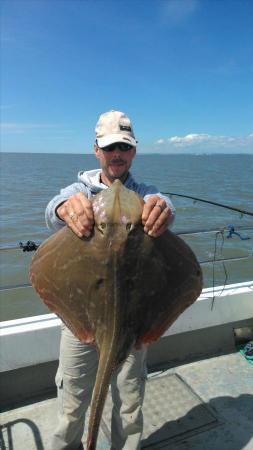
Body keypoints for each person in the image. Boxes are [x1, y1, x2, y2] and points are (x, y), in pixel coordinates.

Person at [46, 110, 175, 450]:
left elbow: (162, 203)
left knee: (130, 401)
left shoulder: (145, 192)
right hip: (80, 316)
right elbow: (53, 207)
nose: (116, 154)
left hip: (135, 318)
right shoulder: (79, 189)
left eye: (124, 146)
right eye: (109, 147)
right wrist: (64, 209)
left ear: (133, 151)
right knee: (73, 403)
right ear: (96, 151)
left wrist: (163, 209)